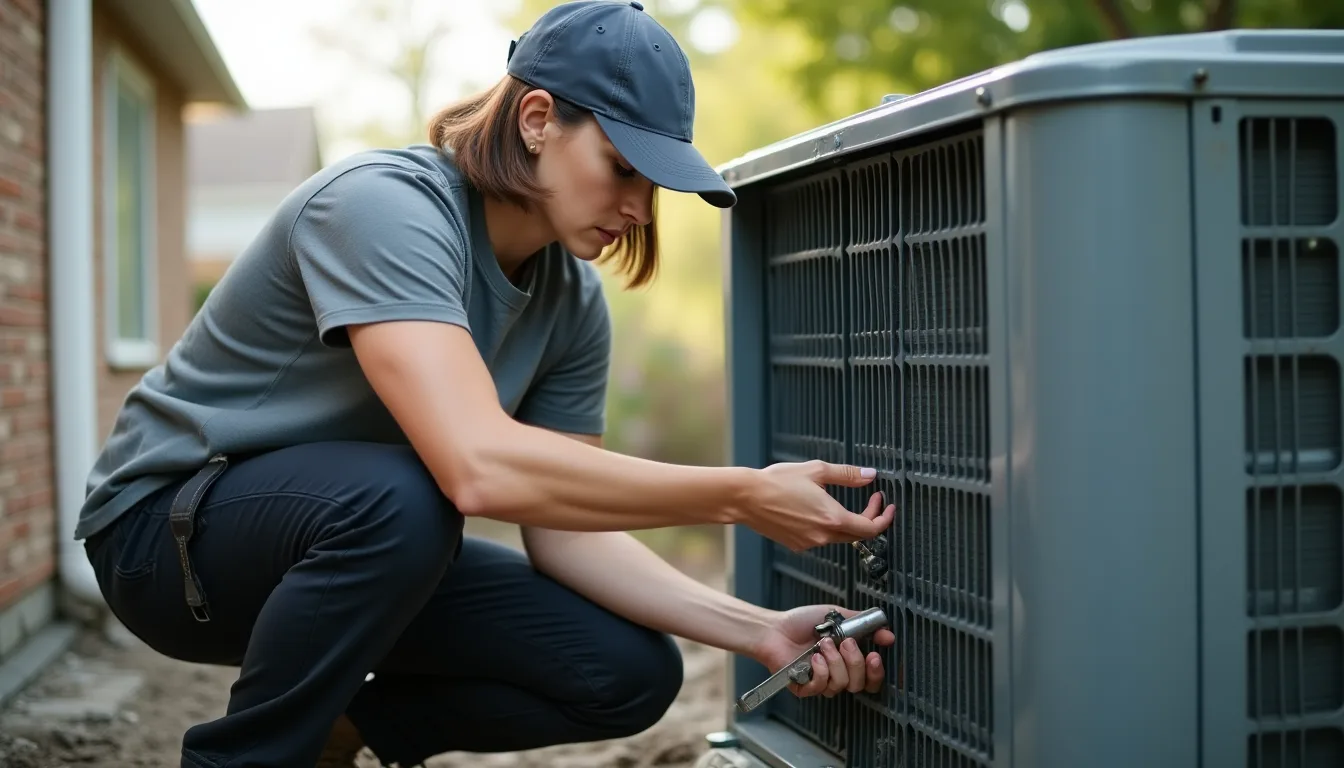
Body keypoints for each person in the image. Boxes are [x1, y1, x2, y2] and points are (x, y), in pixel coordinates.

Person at [76, 2, 897, 767]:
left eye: (655, 184)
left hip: (350, 546)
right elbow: (477, 466)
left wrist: (758, 633)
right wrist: (740, 496)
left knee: (627, 668)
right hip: (167, 542)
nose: (641, 208)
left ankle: (337, 734)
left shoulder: (570, 300)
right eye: (622, 168)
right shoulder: (383, 208)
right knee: (409, 495)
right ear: (538, 119)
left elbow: (566, 528)